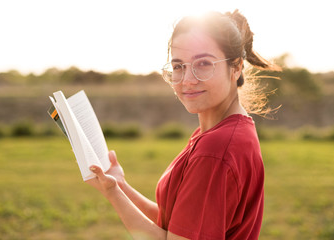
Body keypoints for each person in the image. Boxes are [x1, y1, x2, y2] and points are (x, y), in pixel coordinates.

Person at [87, 9, 279, 240]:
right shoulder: (224, 132)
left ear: (236, 67)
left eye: (204, 63)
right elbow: (180, 225)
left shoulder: (216, 148)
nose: (187, 79)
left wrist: (113, 193)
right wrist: (119, 186)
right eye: (178, 66)